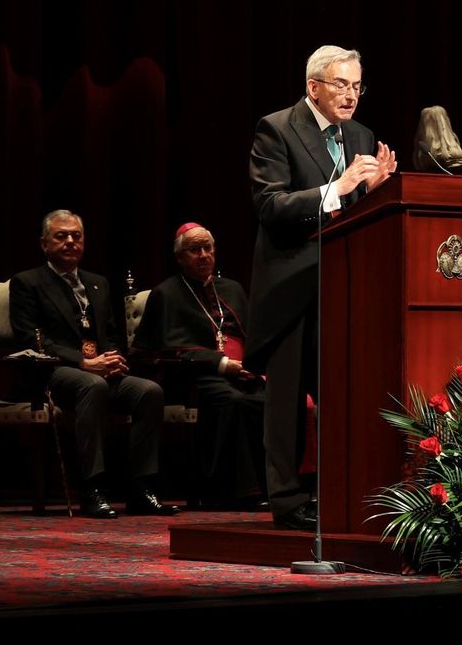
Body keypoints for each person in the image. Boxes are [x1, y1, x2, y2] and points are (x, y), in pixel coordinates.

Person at [248, 45, 398, 529]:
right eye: (341, 85)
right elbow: (271, 206)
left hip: (343, 286)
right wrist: (339, 188)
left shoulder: (360, 135)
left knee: (343, 393)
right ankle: (288, 502)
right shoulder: (277, 128)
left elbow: (354, 212)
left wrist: (375, 193)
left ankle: (338, 491)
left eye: (357, 86)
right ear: (314, 86)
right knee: (288, 403)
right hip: (291, 286)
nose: (351, 95)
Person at [9, 210, 180, 519]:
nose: (70, 242)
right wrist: (85, 362)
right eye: (61, 236)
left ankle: (141, 487)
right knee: (93, 384)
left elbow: (111, 334)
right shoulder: (27, 283)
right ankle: (93, 487)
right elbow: (32, 339)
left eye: (76, 236)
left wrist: (113, 359)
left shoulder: (97, 283)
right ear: (44, 243)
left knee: (148, 391)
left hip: (99, 371)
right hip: (53, 373)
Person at [134, 223, 265, 507]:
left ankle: (275, 488)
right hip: (194, 376)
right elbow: (165, 349)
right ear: (180, 257)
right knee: (233, 402)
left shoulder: (231, 289)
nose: (204, 255)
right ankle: (228, 492)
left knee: (270, 399)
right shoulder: (166, 293)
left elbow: (252, 332)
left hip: (243, 371)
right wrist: (221, 364)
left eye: (208, 248)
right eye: (195, 250)